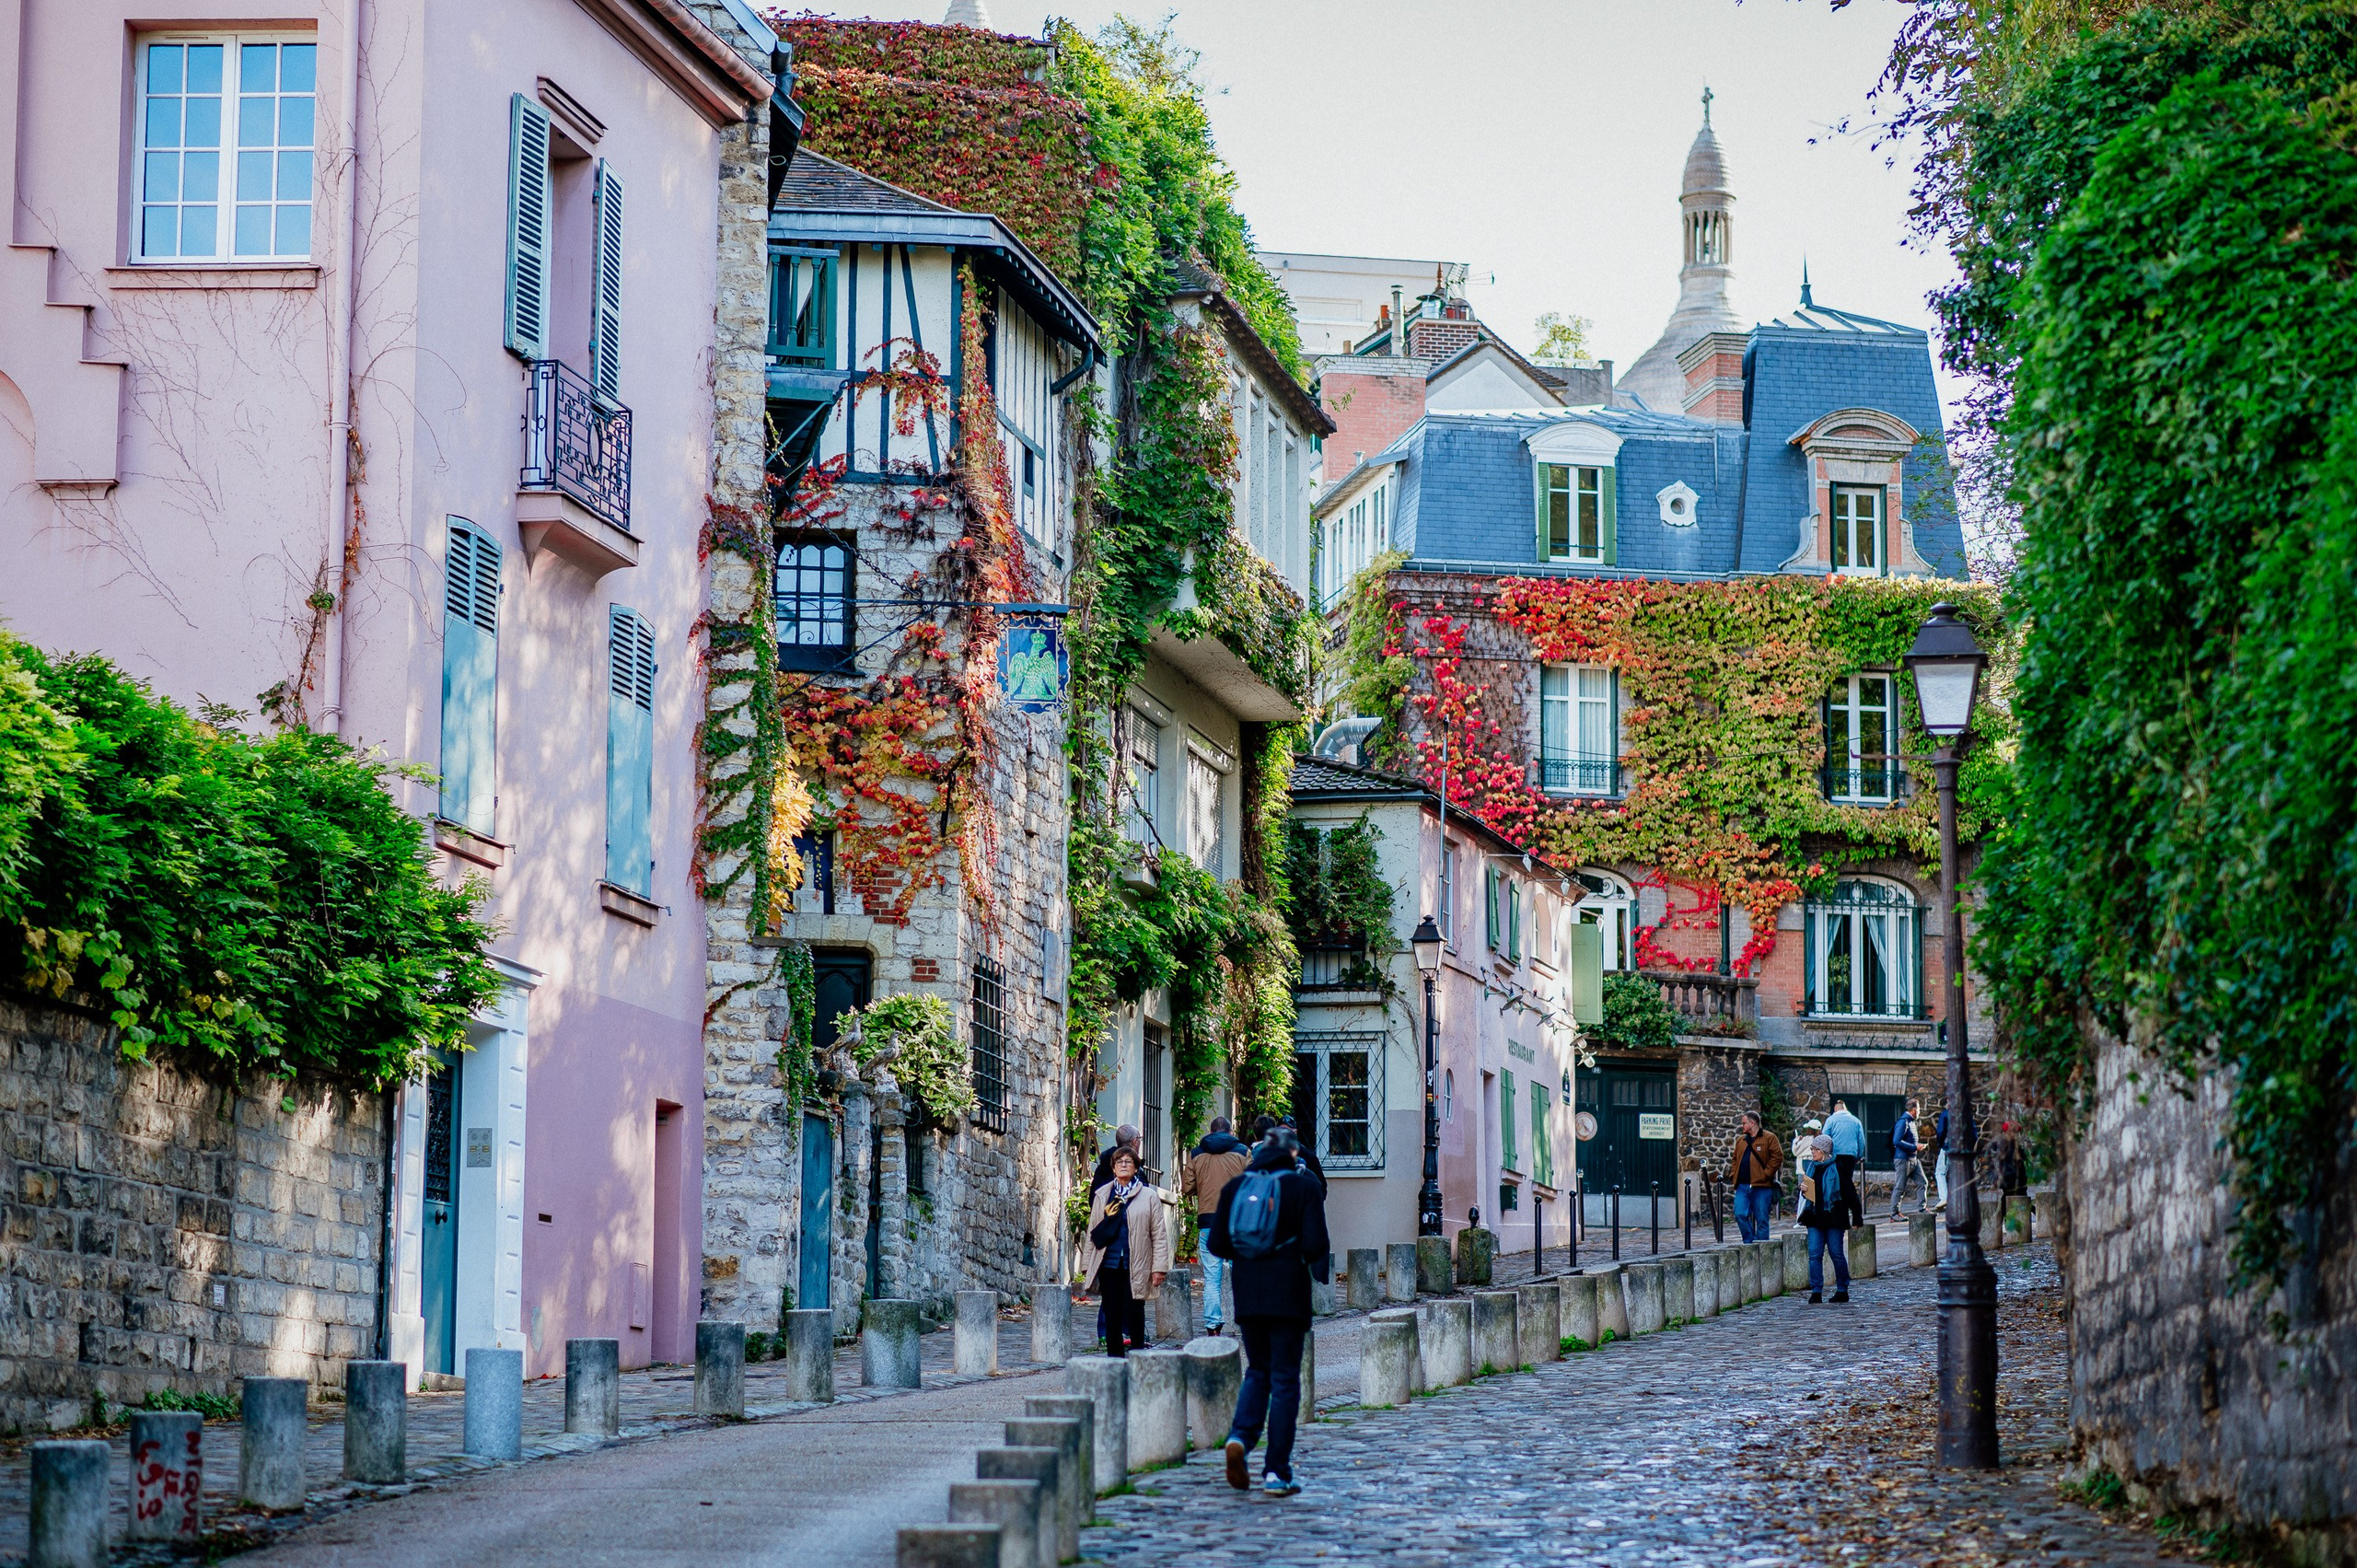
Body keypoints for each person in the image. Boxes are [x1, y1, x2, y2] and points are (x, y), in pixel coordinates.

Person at [1205, 1128, 1329, 1497]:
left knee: (1257, 1370)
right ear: (1293, 1154)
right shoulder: (1303, 1186)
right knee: (1286, 1379)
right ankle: (1276, 1471)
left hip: (1249, 1295)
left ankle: (1240, 1437)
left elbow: (1217, 1244)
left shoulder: (1235, 1188)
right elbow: (1316, 1243)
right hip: (1288, 1294)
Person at [1076, 1145, 1170, 1356]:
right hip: (1109, 1262)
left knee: (1136, 1309)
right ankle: (1115, 1360)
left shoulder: (1148, 1196)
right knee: (1112, 1311)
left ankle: (1138, 1356)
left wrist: (1159, 1268)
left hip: (1136, 1262)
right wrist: (1086, 1265)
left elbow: (1159, 1234)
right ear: (1113, 1168)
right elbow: (1094, 1231)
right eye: (1119, 1162)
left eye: (1129, 1162)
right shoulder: (1103, 1195)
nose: (1124, 1165)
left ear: (1136, 1168)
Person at [1179, 1117, 1251, 1335]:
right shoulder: (1242, 1151)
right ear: (1230, 1131)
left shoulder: (1196, 1154)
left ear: (1210, 1132)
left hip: (1209, 1220)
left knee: (1212, 1277)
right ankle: (1242, 1319)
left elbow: (1187, 1187)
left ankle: (1213, 1326)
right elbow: (1252, 1182)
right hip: (1237, 1219)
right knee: (1241, 1272)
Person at [1798, 1133, 1852, 1304]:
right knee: (1814, 1255)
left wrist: (1856, 1216)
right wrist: (1803, 1189)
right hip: (1814, 1217)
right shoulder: (1811, 1168)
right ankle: (1816, 1291)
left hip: (1834, 1218)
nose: (1812, 1152)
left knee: (1836, 1253)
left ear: (1824, 1151)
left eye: (1815, 1149)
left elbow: (1848, 1193)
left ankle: (1842, 1289)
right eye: (1812, 1149)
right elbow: (1808, 1195)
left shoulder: (1838, 1167)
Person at [1724, 1111, 1782, 1243]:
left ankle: (1762, 1248)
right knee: (1740, 1214)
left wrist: (1766, 1174)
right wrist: (1734, 1175)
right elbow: (1735, 1160)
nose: (1742, 1125)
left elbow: (1777, 1157)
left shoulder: (1769, 1138)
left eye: (1744, 1123)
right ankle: (1749, 1242)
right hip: (1743, 1186)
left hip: (1762, 1186)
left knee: (1762, 1219)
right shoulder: (1741, 1140)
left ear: (1752, 1123)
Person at [1822, 1099, 1866, 1228]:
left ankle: (1855, 1212)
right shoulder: (1856, 1121)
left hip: (1835, 1156)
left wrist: (1825, 1156)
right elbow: (1861, 1141)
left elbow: (1825, 1138)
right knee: (1845, 1183)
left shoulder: (1831, 1120)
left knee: (1841, 1185)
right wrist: (1858, 1155)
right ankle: (1847, 1217)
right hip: (1850, 1156)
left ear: (1836, 1109)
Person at [1891, 1098, 1929, 1215]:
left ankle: (1922, 1209)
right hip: (1903, 1159)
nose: (1919, 1112)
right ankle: (1894, 1213)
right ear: (1914, 1110)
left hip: (1913, 1159)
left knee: (1923, 1182)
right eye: (1919, 1109)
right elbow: (1896, 1141)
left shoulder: (1911, 1122)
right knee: (1900, 1187)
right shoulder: (1903, 1122)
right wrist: (1914, 1147)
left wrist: (1917, 1147)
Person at [1932, 1104, 1952, 1212]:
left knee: (1940, 1172)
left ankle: (1944, 1197)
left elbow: (1940, 1131)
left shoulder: (1946, 1114)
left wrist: (1941, 1144)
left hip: (1948, 1148)